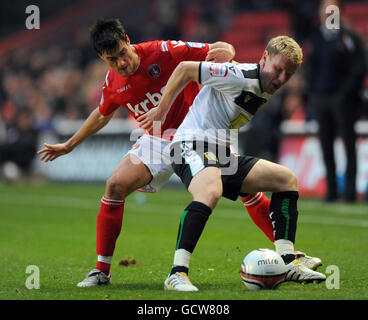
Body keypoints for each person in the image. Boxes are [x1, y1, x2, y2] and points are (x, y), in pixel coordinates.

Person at [37, 18, 286, 287]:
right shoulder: (113, 82)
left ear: (128, 40)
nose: (122, 63)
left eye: (122, 53)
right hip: (157, 140)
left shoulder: (163, 51)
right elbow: (102, 114)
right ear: (102, 58)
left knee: (245, 190)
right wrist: (69, 145)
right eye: (112, 59)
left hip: (197, 132)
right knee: (115, 186)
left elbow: (220, 47)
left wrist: (227, 51)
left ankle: (288, 257)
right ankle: (101, 271)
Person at [138, 35, 326, 291]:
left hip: (220, 153)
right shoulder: (239, 76)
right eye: (278, 70)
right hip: (189, 145)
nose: (281, 79)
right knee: (210, 191)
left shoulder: (265, 82)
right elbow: (184, 69)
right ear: (264, 58)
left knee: (286, 179)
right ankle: (177, 273)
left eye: (288, 75)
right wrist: (161, 110)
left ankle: (287, 260)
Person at [305, 0, 366, 202]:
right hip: (322, 99)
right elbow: (311, 68)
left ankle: (349, 193)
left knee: (349, 145)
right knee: (326, 145)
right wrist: (313, 92)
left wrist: (345, 93)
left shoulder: (349, 38)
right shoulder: (316, 37)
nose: (326, 12)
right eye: (324, 8)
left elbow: (359, 68)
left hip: (344, 100)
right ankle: (331, 191)